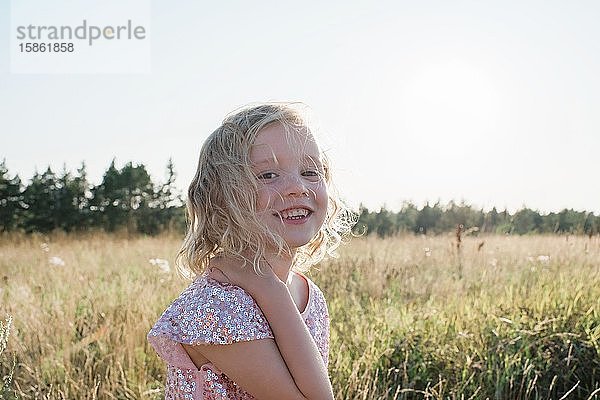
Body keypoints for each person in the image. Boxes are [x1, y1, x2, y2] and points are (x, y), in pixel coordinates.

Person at [148, 103, 355, 399]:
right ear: (222, 196)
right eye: (268, 175)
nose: (297, 187)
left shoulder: (308, 295)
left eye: (311, 171)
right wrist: (270, 290)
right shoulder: (216, 305)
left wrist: (270, 288)